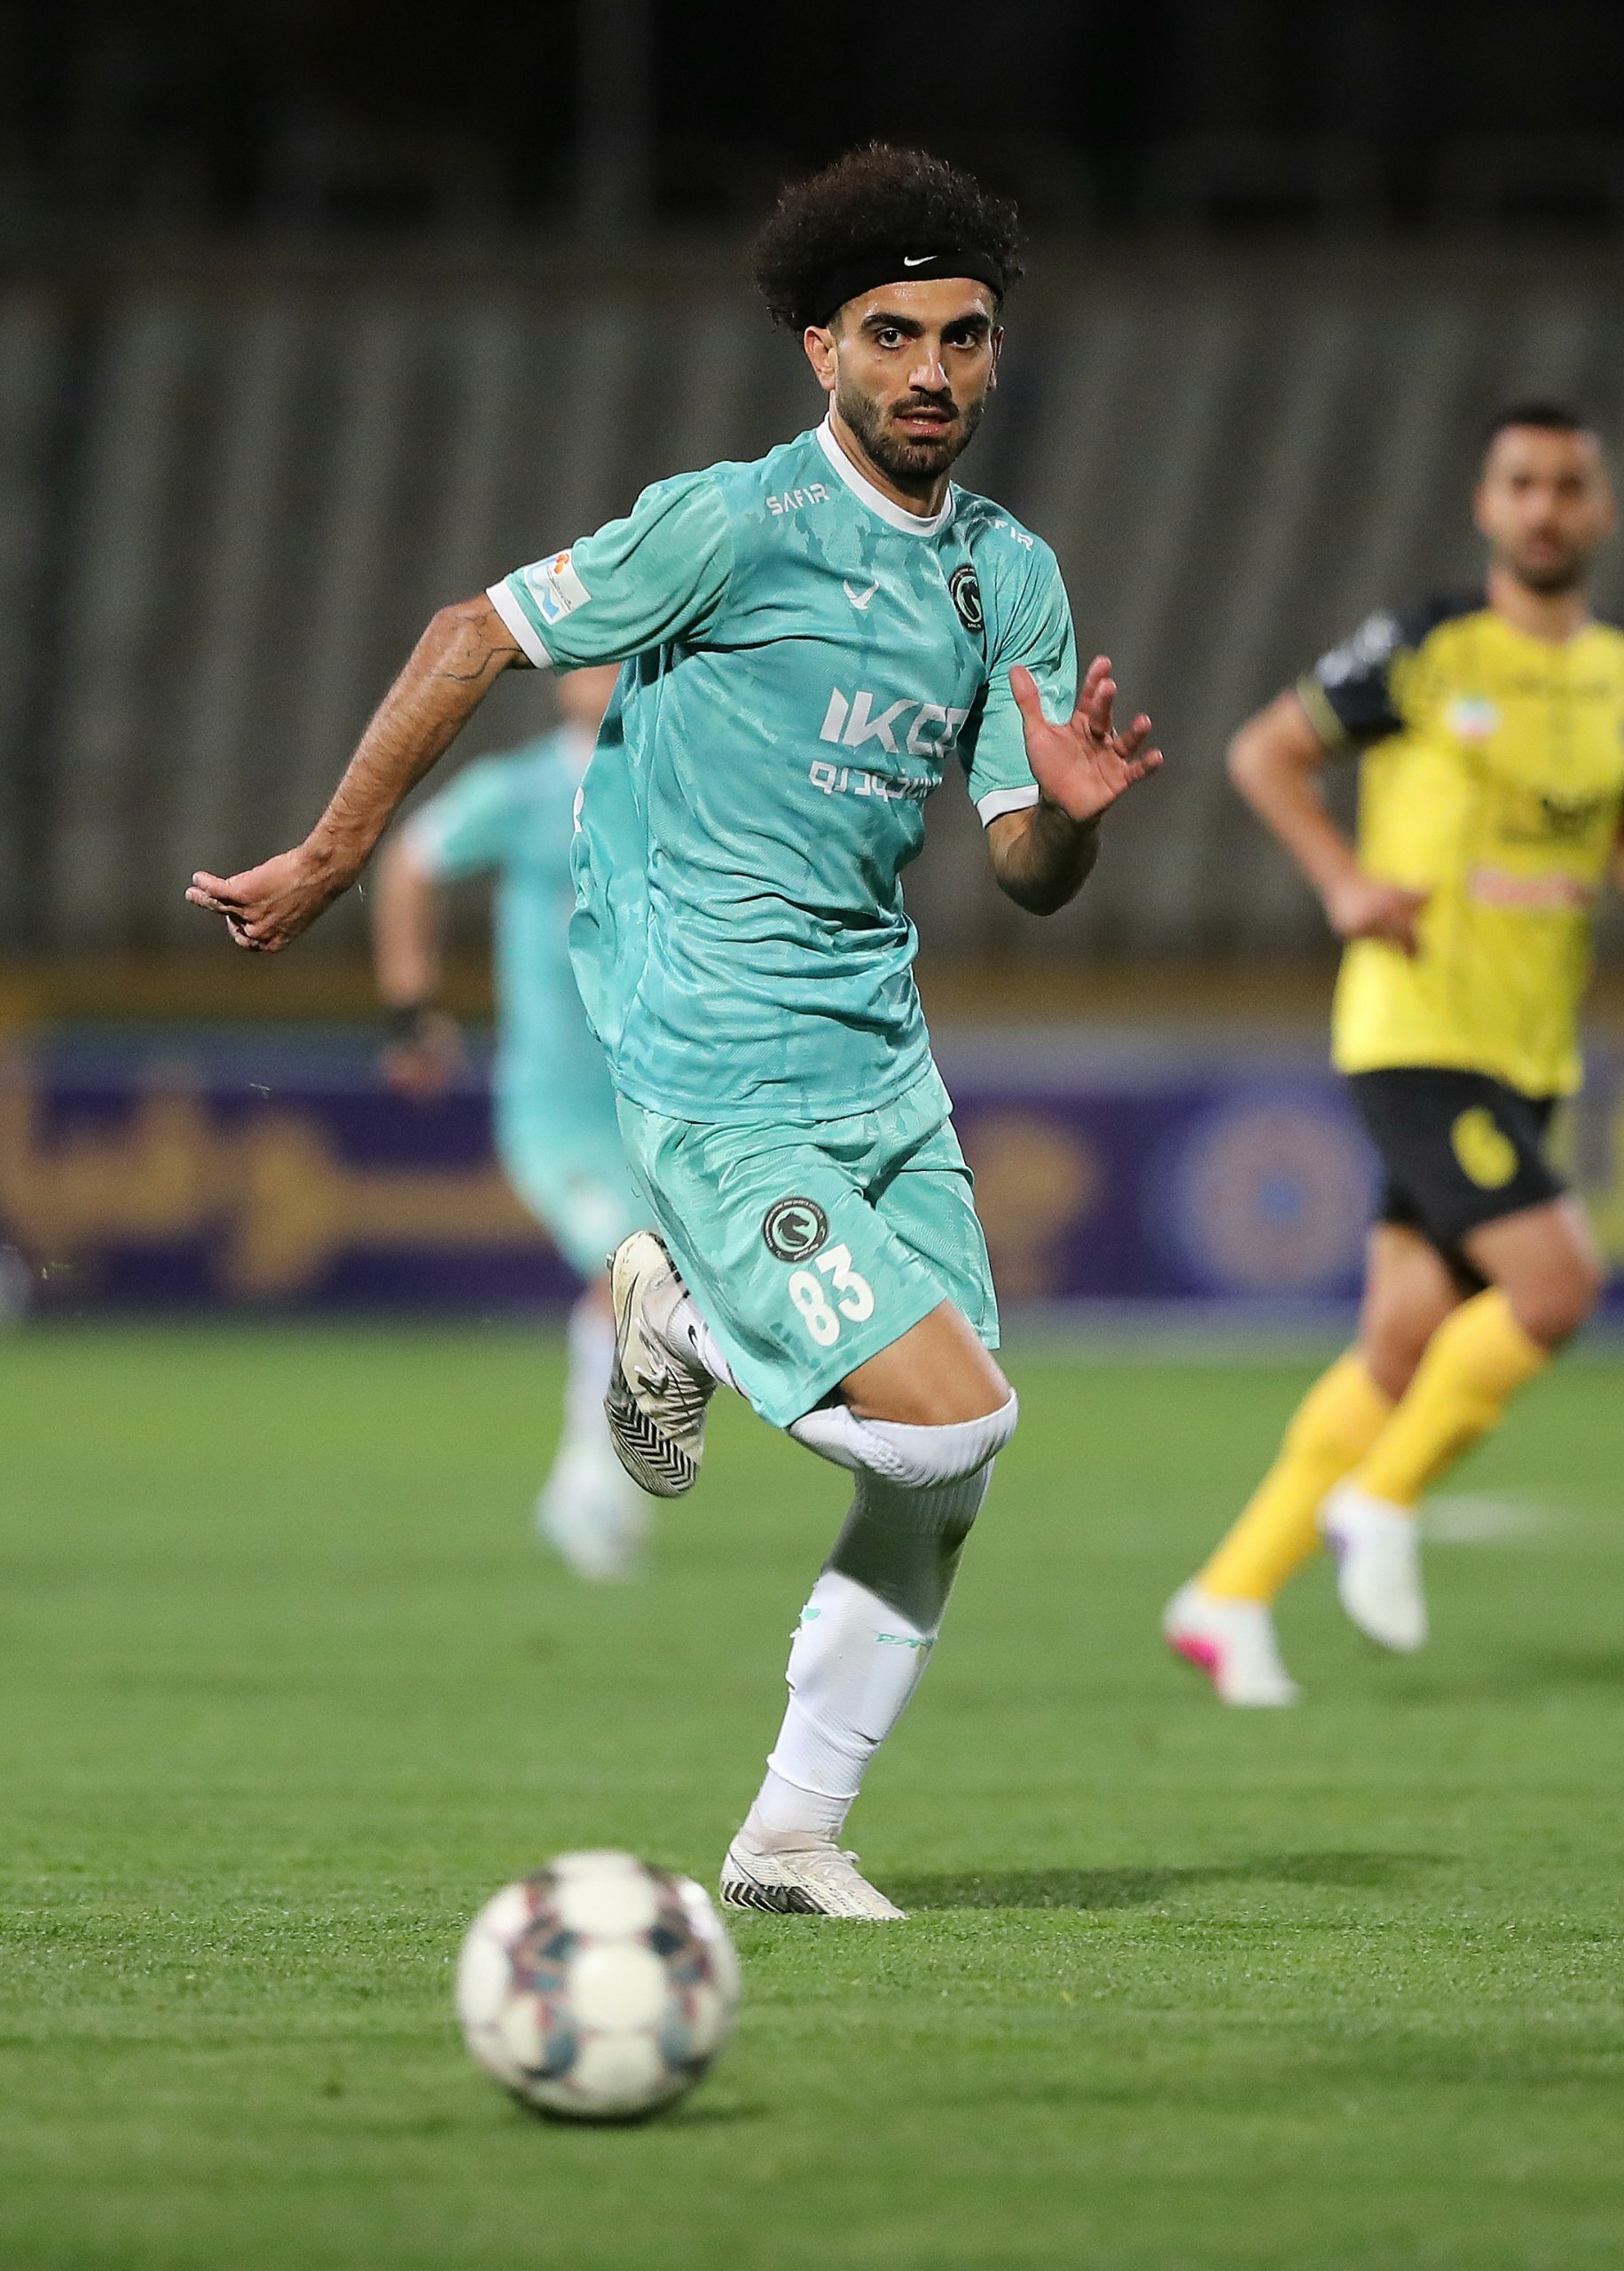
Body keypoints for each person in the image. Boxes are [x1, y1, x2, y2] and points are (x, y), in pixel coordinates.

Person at [188, 145, 1161, 1916]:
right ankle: (685, 1319)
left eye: (961, 336)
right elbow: (474, 630)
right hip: (715, 1055)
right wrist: (333, 854)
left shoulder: (1004, 576)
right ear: (819, 349)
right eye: (890, 335)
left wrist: (1071, 819)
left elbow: (1025, 870)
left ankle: (788, 1835)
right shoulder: (728, 524)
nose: (930, 370)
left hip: (882, 1062)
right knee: (949, 1423)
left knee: (947, 1477)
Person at [1163, 402, 1624, 1706]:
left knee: (1402, 1348)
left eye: (1566, 485)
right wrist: (1343, 883)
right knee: (1554, 1287)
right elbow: (1263, 754)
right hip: (1416, 1030)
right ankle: (1379, 1501)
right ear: (1485, 504)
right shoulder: (1424, 646)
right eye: (1520, 482)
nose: (1542, 507)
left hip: (1529, 1046)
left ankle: (1227, 1595)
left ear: (1601, 511)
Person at [373, 663, 656, 1581]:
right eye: (591, 655)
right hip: (558, 1111)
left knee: (672, 1293)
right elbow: (412, 860)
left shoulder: (681, 783)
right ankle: (586, 1487)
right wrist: (410, 1010)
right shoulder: (525, 790)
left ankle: (597, 1478)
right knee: (627, 1269)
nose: (606, 670)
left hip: (663, 1104)